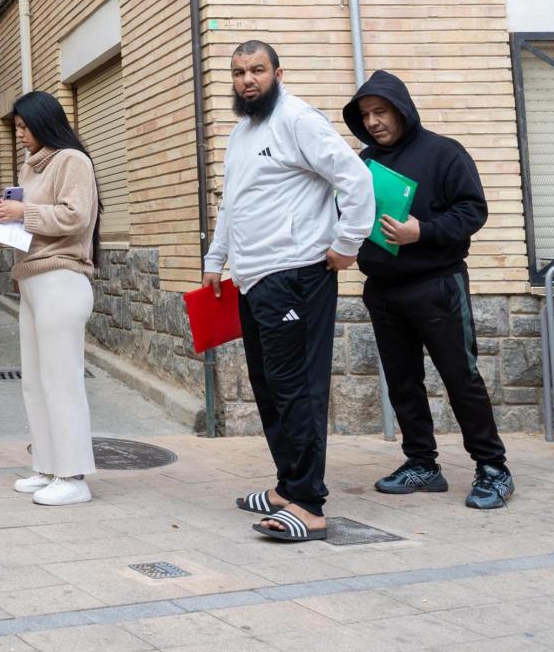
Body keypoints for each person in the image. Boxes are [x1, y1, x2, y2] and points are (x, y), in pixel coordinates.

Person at [202, 40, 374, 542]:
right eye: (238, 72)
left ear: (278, 72)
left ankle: (308, 504)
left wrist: (347, 243)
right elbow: (234, 205)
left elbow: (355, 179)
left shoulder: (299, 120)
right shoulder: (241, 133)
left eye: (257, 70)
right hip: (255, 279)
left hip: (297, 274)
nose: (247, 80)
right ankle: (285, 486)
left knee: (297, 388)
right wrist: (216, 259)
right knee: (271, 386)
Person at [343, 71, 514, 509]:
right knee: (403, 383)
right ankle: (422, 464)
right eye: (365, 115)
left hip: (437, 285)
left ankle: (493, 469)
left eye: (381, 111)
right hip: (383, 289)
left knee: (461, 378)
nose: (374, 121)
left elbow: (473, 211)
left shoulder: (443, 153)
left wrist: (423, 232)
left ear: (402, 109)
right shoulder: (364, 163)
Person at [0, 91, 102, 507]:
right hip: (33, 282)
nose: (19, 135)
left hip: (61, 280)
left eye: (23, 127)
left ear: (44, 122)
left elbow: (75, 216)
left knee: (61, 380)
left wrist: (22, 214)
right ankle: (48, 467)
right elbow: (33, 222)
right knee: (35, 380)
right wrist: (2, 217)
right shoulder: (32, 166)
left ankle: (73, 475)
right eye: (16, 128)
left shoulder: (73, 161)